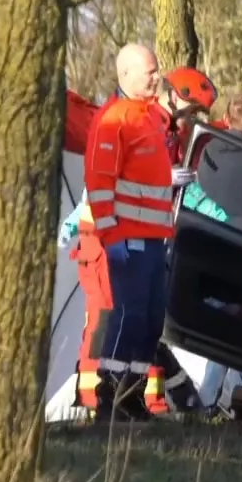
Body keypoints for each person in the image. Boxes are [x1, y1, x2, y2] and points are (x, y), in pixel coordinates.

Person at [83, 44, 178, 421]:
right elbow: (99, 182)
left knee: (151, 320)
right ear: (126, 75)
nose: (157, 77)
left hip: (153, 238)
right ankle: (110, 396)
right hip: (128, 238)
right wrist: (111, 236)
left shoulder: (149, 116)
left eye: (157, 70)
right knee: (129, 316)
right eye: (149, 71)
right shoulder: (114, 119)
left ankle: (133, 396)